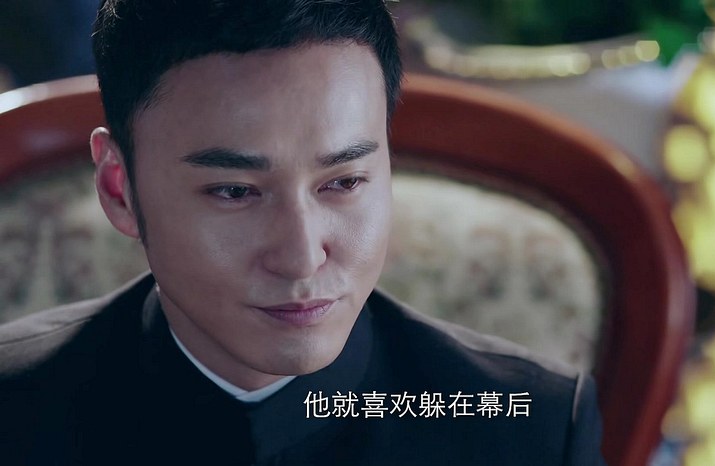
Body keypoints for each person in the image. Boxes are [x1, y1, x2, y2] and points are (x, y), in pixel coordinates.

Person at [0, 0, 606, 464]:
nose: (300, 257)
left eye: (344, 181)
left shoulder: (529, 429)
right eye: (234, 191)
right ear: (119, 189)